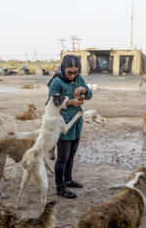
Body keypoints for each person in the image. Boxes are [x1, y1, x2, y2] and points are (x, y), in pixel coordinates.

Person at [47, 55, 92, 199]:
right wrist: (70, 103)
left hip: (76, 123)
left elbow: (90, 94)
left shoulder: (79, 79)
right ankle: (60, 188)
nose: (73, 75)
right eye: (70, 72)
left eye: (76, 72)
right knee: (62, 158)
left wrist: (84, 91)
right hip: (62, 125)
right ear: (63, 68)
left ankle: (68, 179)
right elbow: (52, 102)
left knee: (71, 154)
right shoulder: (56, 81)